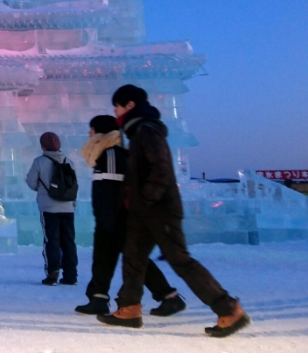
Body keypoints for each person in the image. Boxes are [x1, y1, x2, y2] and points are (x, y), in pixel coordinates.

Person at [97, 85, 250, 337]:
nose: (115, 111)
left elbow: (161, 169)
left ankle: (228, 309)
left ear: (130, 105)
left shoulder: (147, 130)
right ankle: (129, 308)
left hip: (159, 211)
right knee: (133, 257)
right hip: (142, 212)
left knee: (180, 260)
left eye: (118, 106)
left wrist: (146, 199)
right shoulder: (137, 132)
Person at [75, 115, 185, 316]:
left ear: (101, 132)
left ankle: (169, 297)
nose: (89, 133)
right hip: (109, 219)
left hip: (117, 220)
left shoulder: (111, 155)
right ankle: (98, 298)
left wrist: (109, 221)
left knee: (134, 260)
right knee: (103, 259)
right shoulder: (107, 154)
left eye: (92, 129)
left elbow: (113, 191)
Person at [25, 132, 78, 286]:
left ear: (43, 146)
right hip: (68, 207)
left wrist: (42, 190)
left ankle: (53, 273)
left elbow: (31, 182)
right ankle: (71, 275)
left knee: (51, 240)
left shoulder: (39, 162)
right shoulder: (69, 161)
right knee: (69, 241)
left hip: (49, 208)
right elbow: (74, 185)